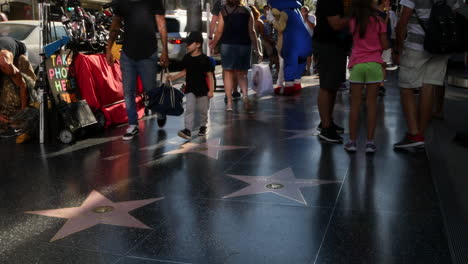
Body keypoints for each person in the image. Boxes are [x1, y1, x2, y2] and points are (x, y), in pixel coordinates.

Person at [392, 0, 461, 149]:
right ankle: (420, 134)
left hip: (417, 46)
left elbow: (403, 21)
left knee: (406, 88)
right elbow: (453, 15)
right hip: (440, 47)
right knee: (428, 87)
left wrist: (397, 49)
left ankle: (414, 133)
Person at [106, 0, 169, 141]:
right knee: (128, 91)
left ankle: (159, 109)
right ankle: (133, 125)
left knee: (150, 89)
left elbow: (161, 24)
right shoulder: (121, 3)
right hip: (128, 54)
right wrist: (108, 49)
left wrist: (164, 50)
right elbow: (115, 26)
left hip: (148, 53)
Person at [344, 0, 389, 153]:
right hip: (375, 65)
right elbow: (384, 45)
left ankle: (352, 142)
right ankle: (370, 142)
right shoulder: (379, 21)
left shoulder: (352, 21)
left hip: (357, 64)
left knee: (355, 105)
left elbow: (348, 39)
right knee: (371, 105)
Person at [209, 0, 262, 111]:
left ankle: (229, 103)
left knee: (228, 73)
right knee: (242, 74)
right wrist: (257, 49)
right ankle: (245, 96)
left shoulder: (223, 11)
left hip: (227, 45)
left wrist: (213, 43)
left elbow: (219, 31)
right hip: (244, 45)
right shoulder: (248, 10)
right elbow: (252, 31)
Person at [313, 0, 351, 143]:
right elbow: (336, 23)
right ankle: (326, 127)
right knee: (326, 85)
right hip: (326, 44)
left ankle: (327, 121)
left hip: (335, 45)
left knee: (333, 85)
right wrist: (355, 15)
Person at [167, 31, 215, 140]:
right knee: (189, 108)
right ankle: (187, 130)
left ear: (198, 44)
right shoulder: (187, 58)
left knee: (203, 110)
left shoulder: (205, 60)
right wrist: (173, 77)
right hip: (190, 88)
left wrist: (211, 90)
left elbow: (210, 75)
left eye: (189, 43)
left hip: (203, 89)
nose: (187, 45)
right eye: (186, 43)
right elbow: (185, 72)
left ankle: (203, 126)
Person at [301, 6, 316, 76]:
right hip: (301, 39)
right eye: (303, 11)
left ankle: (308, 69)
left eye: (305, 11)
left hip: (310, 38)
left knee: (309, 55)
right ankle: (303, 69)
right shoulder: (299, 17)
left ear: (308, 11)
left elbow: (313, 27)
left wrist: (306, 19)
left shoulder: (312, 17)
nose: (304, 13)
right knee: (302, 55)